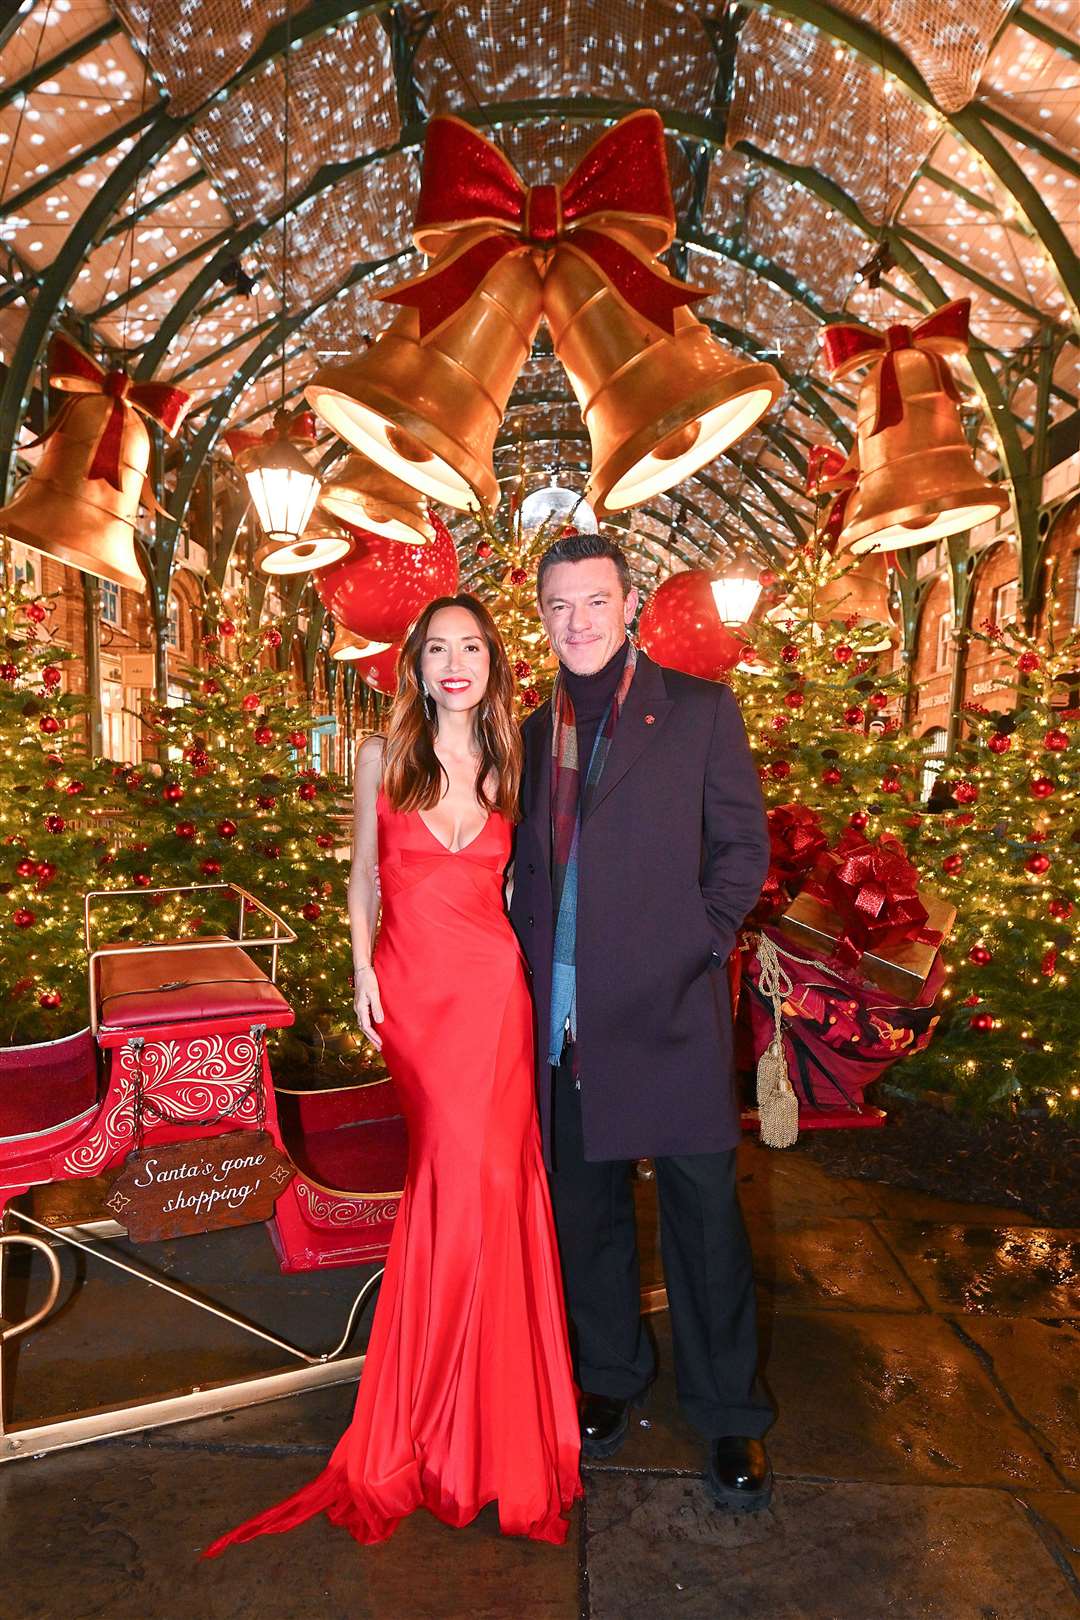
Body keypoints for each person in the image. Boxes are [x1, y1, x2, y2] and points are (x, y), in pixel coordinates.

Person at [205, 595, 581, 1555]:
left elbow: (532, 885)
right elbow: (362, 878)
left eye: (471, 648)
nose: (455, 663)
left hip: (496, 992)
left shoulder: (517, 763)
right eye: (437, 649)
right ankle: (440, 1411)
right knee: (455, 1177)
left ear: (494, 663)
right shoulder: (384, 759)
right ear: (415, 666)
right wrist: (364, 970)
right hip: (416, 996)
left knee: (493, 1184)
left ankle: (486, 1419)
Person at [509, 532, 775, 1511]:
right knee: (588, 1218)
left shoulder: (697, 710)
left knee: (706, 1226)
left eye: (594, 600)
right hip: (566, 1023)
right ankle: (612, 1376)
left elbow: (742, 848)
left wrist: (697, 943)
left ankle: (729, 1416)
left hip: (669, 1013)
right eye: (557, 606)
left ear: (630, 606)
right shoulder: (530, 731)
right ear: (541, 617)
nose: (577, 621)